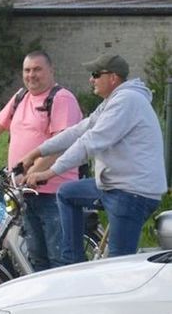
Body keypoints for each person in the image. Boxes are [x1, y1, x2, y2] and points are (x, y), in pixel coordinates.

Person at [21, 54, 165, 263]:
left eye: (96, 75)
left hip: (132, 193)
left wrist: (50, 172)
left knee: (118, 267)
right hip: (115, 185)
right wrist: (37, 152)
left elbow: (91, 141)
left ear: (113, 78)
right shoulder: (113, 101)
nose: (91, 79)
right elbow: (79, 130)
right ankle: (74, 263)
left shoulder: (127, 100)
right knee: (67, 193)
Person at [0, 51, 82, 270]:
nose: (32, 75)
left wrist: (34, 173)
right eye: (27, 70)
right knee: (35, 258)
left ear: (51, 71)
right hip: (24, 191)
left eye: (37, 69)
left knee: (59, 261)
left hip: (54, 192)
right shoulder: (21, 97)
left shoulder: (61, 98)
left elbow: (61, 144)